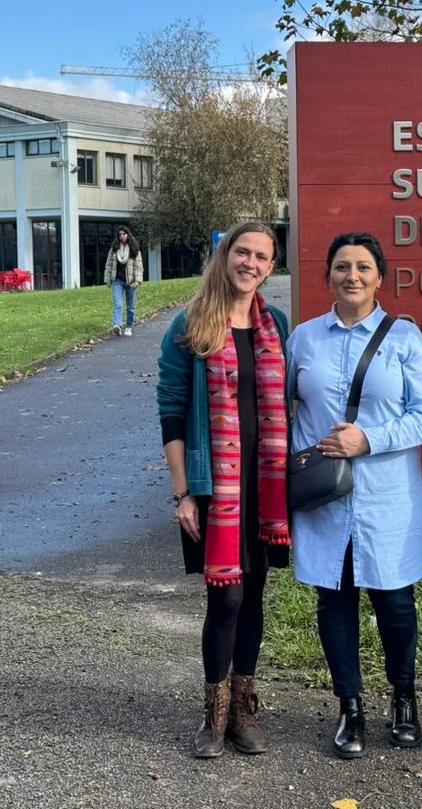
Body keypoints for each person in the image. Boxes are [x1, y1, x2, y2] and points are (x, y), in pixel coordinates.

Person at [287, 232, 422, 759]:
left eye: (362, 267)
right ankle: (350, 707)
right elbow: (281, 408)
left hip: (385, 496)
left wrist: (368, 439)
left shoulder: (405, 338)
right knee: (333, 599)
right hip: (324, 497)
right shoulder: (304, 338)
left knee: (395, 600)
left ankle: (404, 698)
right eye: (341, 266)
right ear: (328, 275)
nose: (351, 276)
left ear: (380, 277)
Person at [156, 222, 290, 759]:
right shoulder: (191, 324)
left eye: (261, 256)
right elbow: (171, 411)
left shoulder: (276, 325)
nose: (250, 263)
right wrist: (182, 493)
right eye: (242, 251)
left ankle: (243, 711)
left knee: (253, 595)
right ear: (225, 254)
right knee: (226, 597)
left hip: (265, 485)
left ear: (271, 267)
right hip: (216, 487)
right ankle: (213, 714)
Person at [104, 226, 143, 336]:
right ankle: (117, 325)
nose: (122, 236)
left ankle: (129, 326)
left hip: (131, 282)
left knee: (131, 307)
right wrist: (107, 279)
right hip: (117, 281)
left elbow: (138, 267)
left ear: (128, 235)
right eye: (120, 234)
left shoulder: (134, 249)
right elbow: (109, 264)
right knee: (118, 304)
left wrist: (137, 281)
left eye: (124, 234)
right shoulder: (114, 249)